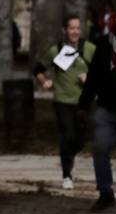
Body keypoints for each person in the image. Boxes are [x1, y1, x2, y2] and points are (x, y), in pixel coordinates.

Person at [33, 14, 96, 190]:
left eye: (77, 28)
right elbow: (38, 69)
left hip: (83, 101)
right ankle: (66, 174)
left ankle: (68, 156)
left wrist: (89, 78)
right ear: (64, 30)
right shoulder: (56, 50)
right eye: (71, 28)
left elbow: (103, 69)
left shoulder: (89, 48)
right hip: (62, 100)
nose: (75, 31)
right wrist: (44, 81)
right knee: (67, 136)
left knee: (80, 141)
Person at [76, 31, 116, 211]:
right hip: (106, 107)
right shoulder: (103, 44)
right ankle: (105, 192)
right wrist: (83, 104)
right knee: (100, 148)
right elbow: (93, 76)